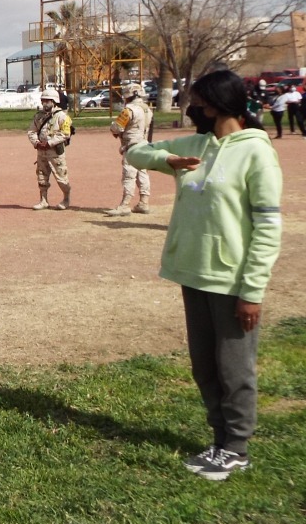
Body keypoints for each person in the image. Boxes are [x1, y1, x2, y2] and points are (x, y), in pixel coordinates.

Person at [126, 69, 282, 481]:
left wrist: (252, 291)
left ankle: (237, 448)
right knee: (204, 366)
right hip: (193, 273)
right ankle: (219, 442)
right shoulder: (195, 145)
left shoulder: (256, 152)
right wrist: (168, 160)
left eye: (197, 100)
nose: (192, 106)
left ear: (215, 104)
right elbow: (134, 154)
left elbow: (267, 227)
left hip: (232, 281)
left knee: (235, 369)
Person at [105, 83, 154, 216]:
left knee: (129, 176)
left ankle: (125, 205)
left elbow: (117, 128)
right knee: (142, 173)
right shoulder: (147, 109)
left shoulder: (128, 110)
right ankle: (144, 202)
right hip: (144, 145)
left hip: (131, 146)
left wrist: (112, 127)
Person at [27, 85, 72, 210]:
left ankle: (66, 198)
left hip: (55, 152)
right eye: (43, 101)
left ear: (54, 101)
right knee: (41, 176)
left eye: (47, 101)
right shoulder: (38, 116)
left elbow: (65, 133)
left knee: (61, 177)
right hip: (41, 152)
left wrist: (49, 143)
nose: (44, 103)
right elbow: (31, 131)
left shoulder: (62, 117)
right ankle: (43, 200)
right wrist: (36, 142)